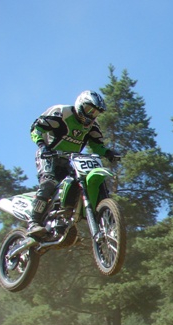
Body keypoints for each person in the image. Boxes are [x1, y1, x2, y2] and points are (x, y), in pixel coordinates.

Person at [27, 90, 120, 237]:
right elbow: (36, 127)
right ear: (80, 104)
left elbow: (97, 146)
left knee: (79, 184)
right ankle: (34, 222)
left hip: (71, 160)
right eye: (89, 109)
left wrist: (108, 153)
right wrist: (42, 145)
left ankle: (64, 218)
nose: (91, 115)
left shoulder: (92, 126)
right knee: (49, 181)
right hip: (49, 155)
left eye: (95, 113)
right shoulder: (61, 113)